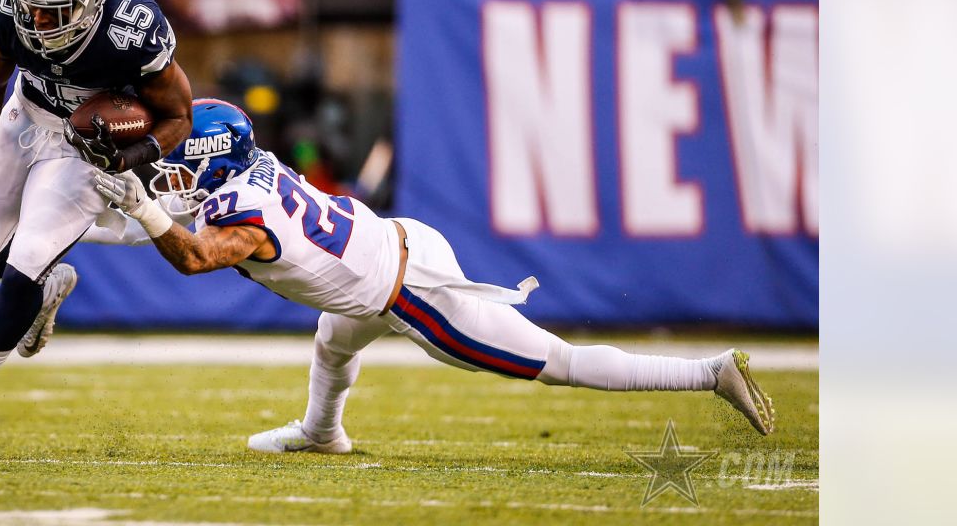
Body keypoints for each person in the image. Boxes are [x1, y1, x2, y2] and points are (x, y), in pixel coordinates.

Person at [90, 100, 776, 454]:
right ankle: (322, 433)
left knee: (557, 362)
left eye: (182, 157)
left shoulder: (238, 212)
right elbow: (184, 224)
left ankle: (709, 373)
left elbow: (193, 256)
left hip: (411, 293)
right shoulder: (253, 169)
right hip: (400, 239)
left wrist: (145, 207)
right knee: (334, 342)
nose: (169, 168)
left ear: (214, 159)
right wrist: (114, 217)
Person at [0, 0, 194, 449]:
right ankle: (44, 289)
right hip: (25, 115)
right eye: (32, 8)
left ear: (92, 1)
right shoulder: (13, 6)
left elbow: (178, 116)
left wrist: (127, 158)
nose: (38, 20)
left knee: (26, 256)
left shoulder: (130, 30)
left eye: (54, 10)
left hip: (83, 149)